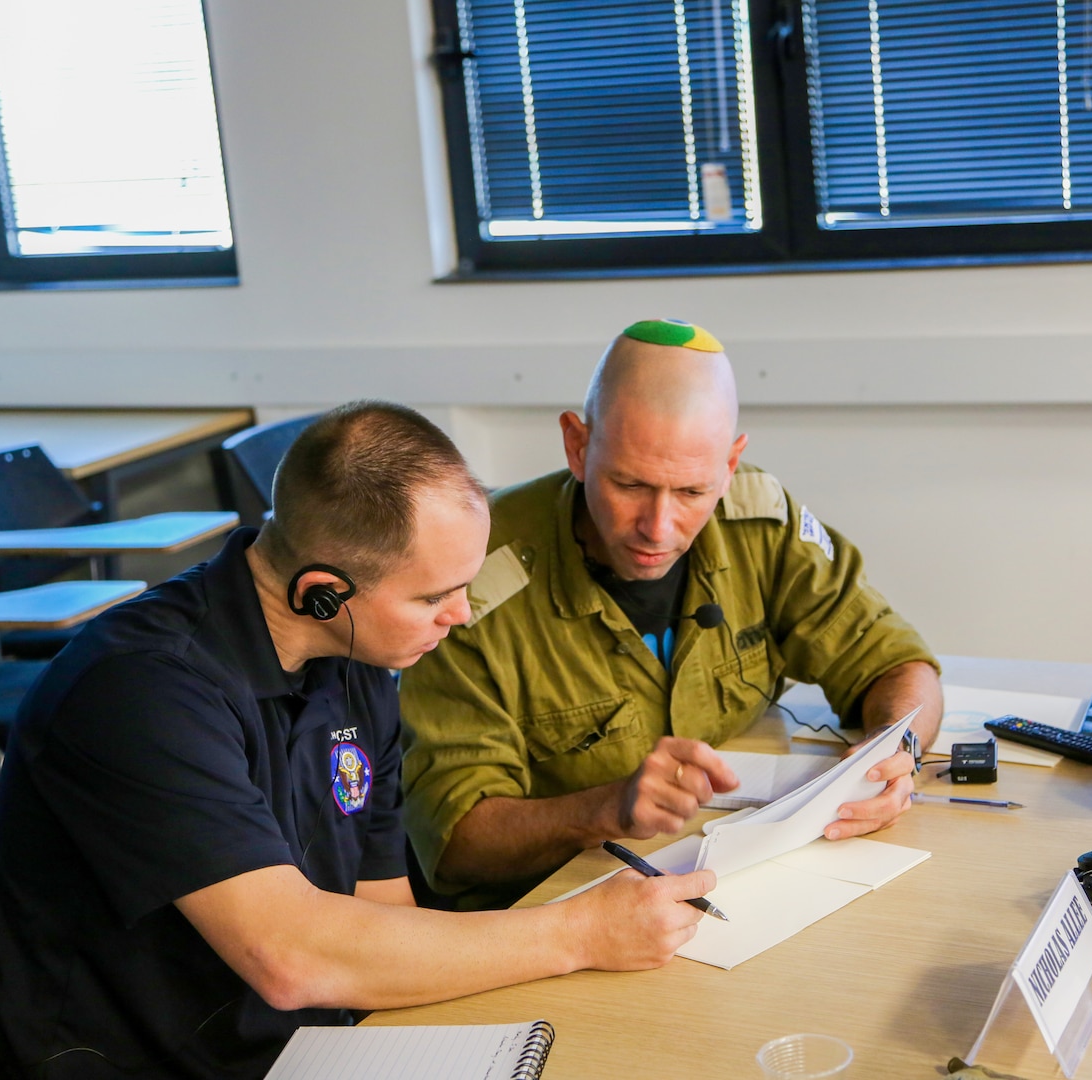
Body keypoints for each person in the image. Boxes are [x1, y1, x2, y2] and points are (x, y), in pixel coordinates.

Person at [0, 402, 716, 1080]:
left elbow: (383, 911)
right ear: (320, 590)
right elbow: (291, 957)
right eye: (433, 596)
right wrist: (579, 933)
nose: (462, 615)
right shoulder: (141, 691)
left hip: (308, 1046)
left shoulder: (356, 658)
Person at [400, 320, 943, 911]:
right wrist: (606, 808)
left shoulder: (759, 521)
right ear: (578, 446)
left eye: (690, 493)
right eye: (629, 484)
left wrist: (898, 752)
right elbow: (454, 845)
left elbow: (894, 663)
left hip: (726, 876)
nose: (658, 529)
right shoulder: (472, 574)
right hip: (548, 911)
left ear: (731, 464)